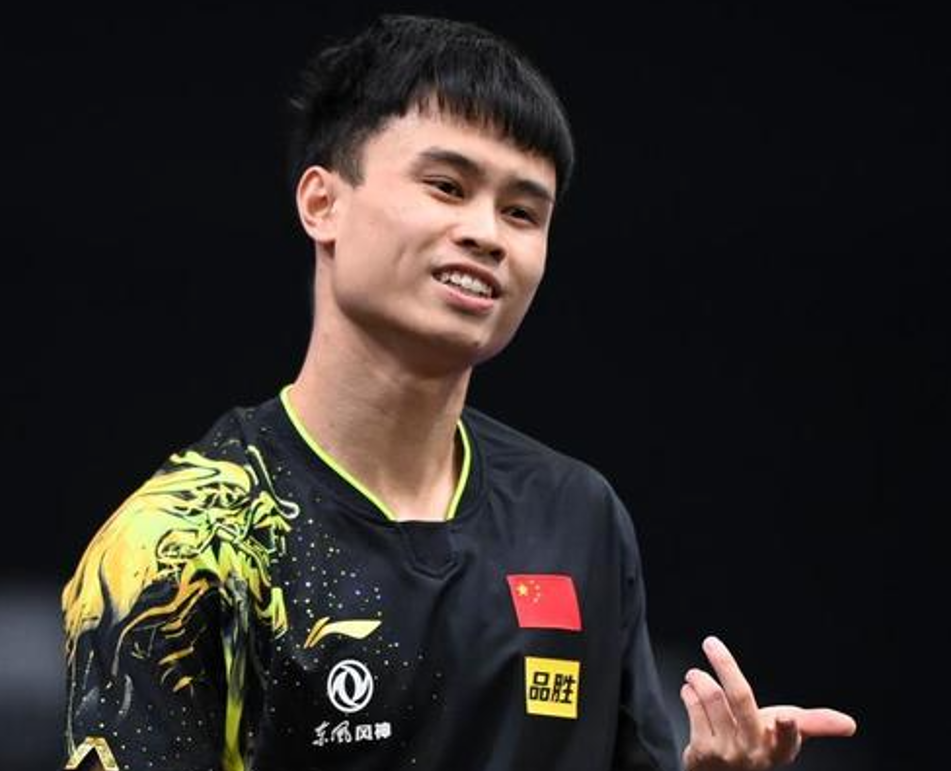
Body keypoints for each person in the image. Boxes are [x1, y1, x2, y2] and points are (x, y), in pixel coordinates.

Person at [60, 14, 857, 771]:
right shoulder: (181, 546)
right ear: (321, 203)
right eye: (446, 186)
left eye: (522, 211)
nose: (487, 233)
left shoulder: (576, 515)